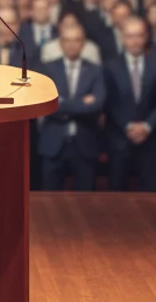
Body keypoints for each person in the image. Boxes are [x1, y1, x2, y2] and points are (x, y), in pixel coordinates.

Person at [103, 18, 156, 191]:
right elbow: (109, 103)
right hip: (119, 138)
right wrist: (128, 126)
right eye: (130, 36)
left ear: (146, 37)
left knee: (150, 193)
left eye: (139, 36)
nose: (134, 41)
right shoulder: (110, 66)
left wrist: (146, 127)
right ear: (123, 38)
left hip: (150, 139)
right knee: (116, 193)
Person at [39, 23, 105, 191]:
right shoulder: (47, 68)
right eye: (67, 40)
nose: (71, 45)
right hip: (53, 144)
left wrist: (62, 103)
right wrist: (81, 103)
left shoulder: (95, 70)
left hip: (85, 144)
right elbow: (46, 103)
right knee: (50, 200)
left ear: (83, 43)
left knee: (85, 201)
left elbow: (97, 105)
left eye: (76, 40)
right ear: (61, 43)